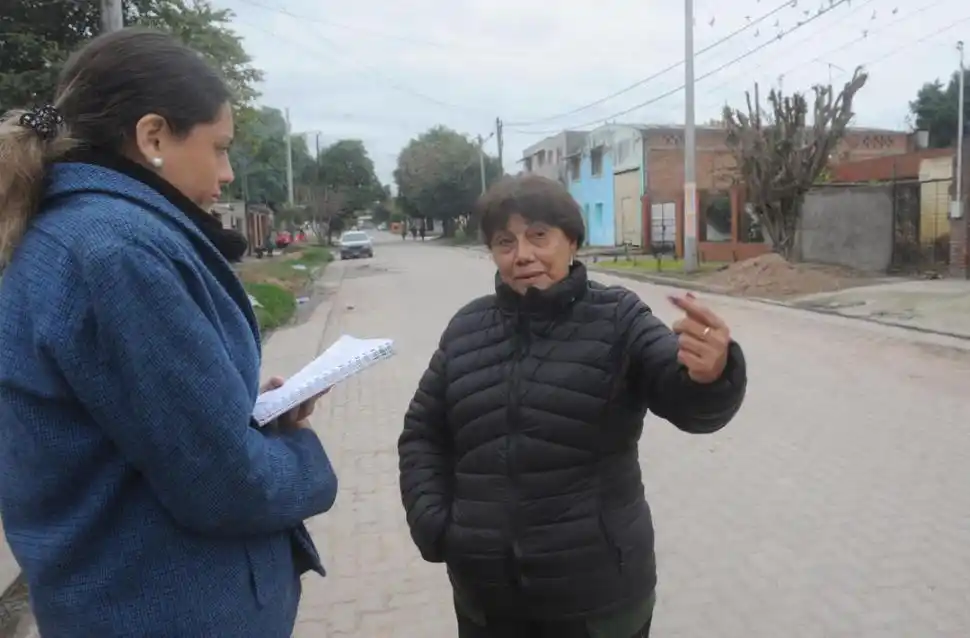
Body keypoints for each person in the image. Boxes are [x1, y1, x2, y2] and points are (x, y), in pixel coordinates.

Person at [0, 29, 338, 638]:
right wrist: (303, 457)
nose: (229, 172)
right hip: (165, 609)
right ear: (153, 136)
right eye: (219, 148)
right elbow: (223, 484)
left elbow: (140, 423)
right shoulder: (119, 253)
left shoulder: (80, 234)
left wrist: (248, 413)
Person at [398, 174, 747, 637]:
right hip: (487, 602)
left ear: (572, 241)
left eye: (538, 236)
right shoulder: (467, 329)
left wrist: (711, 376)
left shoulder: (619, 318)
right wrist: (437, 526)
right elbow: (423, 433)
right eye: (505, 242)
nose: (522, 254)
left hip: (598, 603)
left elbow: (683, 396)